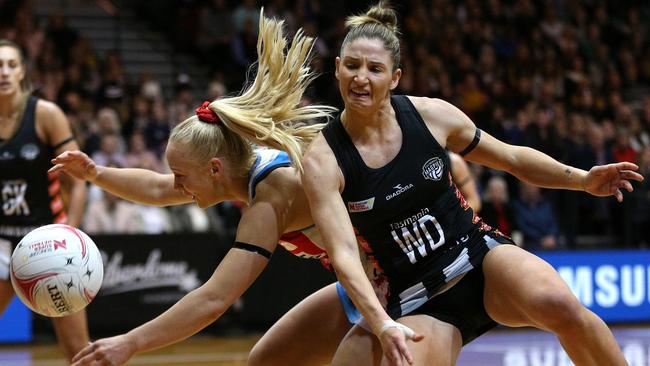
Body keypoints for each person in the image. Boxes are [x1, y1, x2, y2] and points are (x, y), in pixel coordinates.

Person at [299, 2, 639, 365]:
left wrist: (583, 180)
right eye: (351, 65)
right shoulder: (323, 160)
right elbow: (344, 255)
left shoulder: (430, 115)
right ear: (337, 68)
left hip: (479, 257)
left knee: (560, 305)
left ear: (395, 77)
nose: (361, 78)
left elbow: (511, 158)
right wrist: (382, 323)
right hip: (417, 296)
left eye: (374, 69)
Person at [0, 39, 88, 361]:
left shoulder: (45, 114)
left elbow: (79, 180)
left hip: (46, 241)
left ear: (22, 71)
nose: (4, 72)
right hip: (1, 241)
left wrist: (71, 232)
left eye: (11, 64)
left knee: (78, 350)